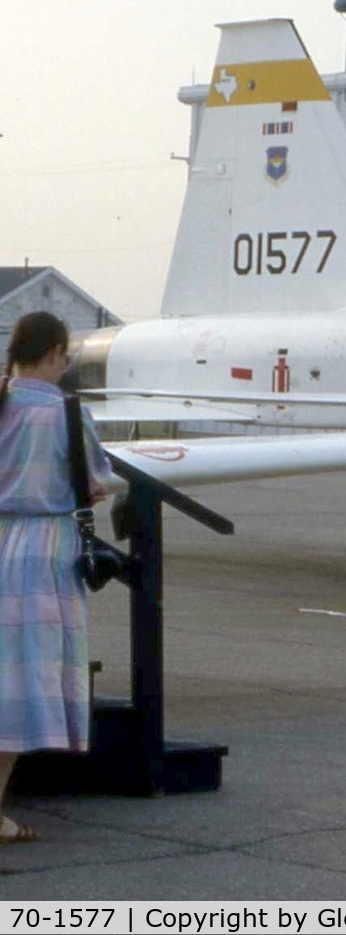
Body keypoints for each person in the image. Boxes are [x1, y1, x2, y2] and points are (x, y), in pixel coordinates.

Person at [0, 312, 111, 846]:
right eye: (64, 356)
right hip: (40, 553)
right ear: (52, 355)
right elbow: (96, 483)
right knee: (19, 681)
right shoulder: (67, 413)